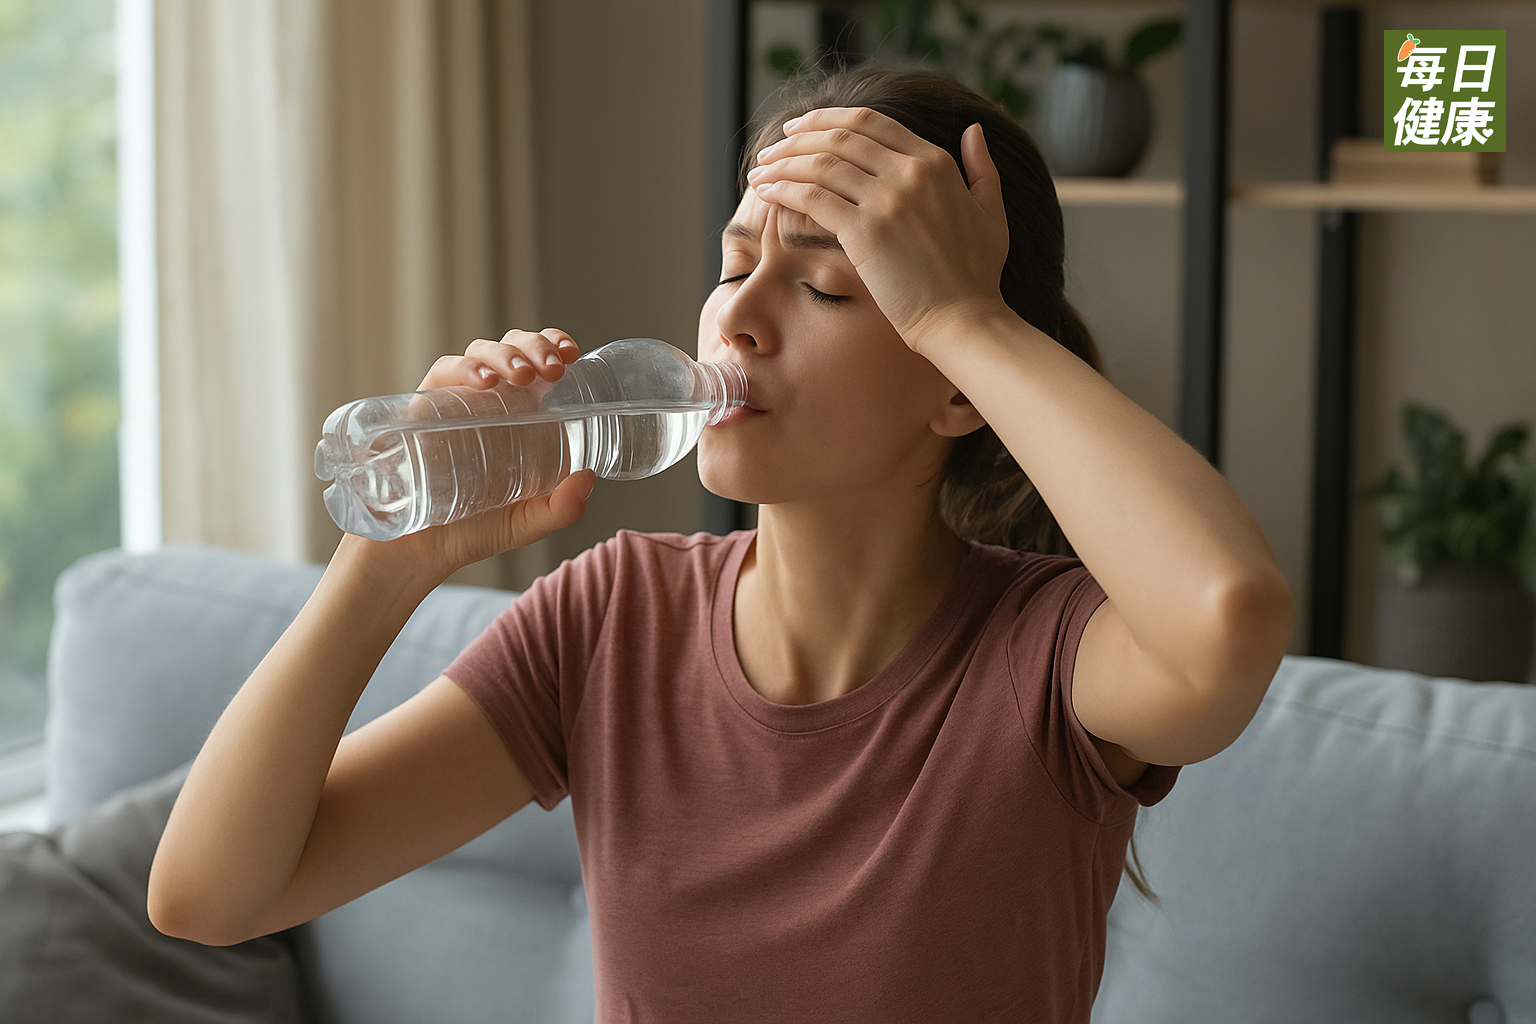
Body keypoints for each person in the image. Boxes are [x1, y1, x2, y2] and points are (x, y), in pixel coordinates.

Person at [149, 64, 1294, 1021]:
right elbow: (210, 892)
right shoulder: (613, 620)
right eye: (737, 261)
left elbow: (1228, 617)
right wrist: (387, 562)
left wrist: (962, 315)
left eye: (829, 288)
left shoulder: (1046, 660)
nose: (740, 318)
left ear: (957, 387)